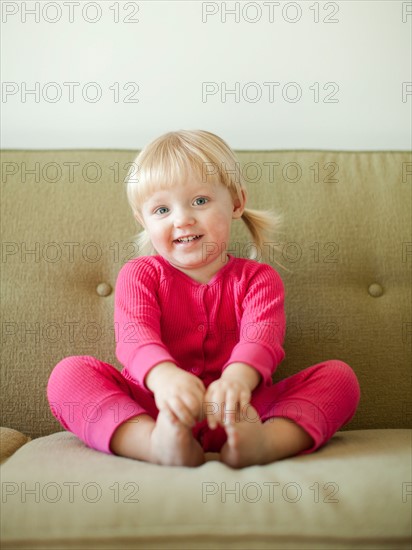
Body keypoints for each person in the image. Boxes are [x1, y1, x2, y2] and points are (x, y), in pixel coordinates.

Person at [47, 129, 360, 468]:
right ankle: (154, 444)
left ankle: (266, 442)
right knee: (68, 375)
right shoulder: (139, 275)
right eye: (162, 209)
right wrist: (165, 378)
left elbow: (263, 339)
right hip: (155, 407)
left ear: (237, 203)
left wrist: (237, 381)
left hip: (241, 408)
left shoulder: (258, 278)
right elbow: (134, 337)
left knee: (339, 378)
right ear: (143, 220)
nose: (182, 219)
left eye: (199, 201)